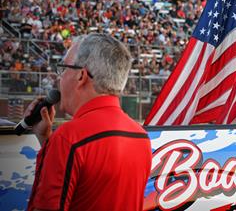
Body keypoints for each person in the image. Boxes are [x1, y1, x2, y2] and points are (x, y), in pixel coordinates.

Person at [26, 33, 152, 211]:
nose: (59, 78)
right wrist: (47, 140)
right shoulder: (141, 136)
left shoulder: (68, 138)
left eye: (63, 69)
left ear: (81, 76)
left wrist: (55, 143)